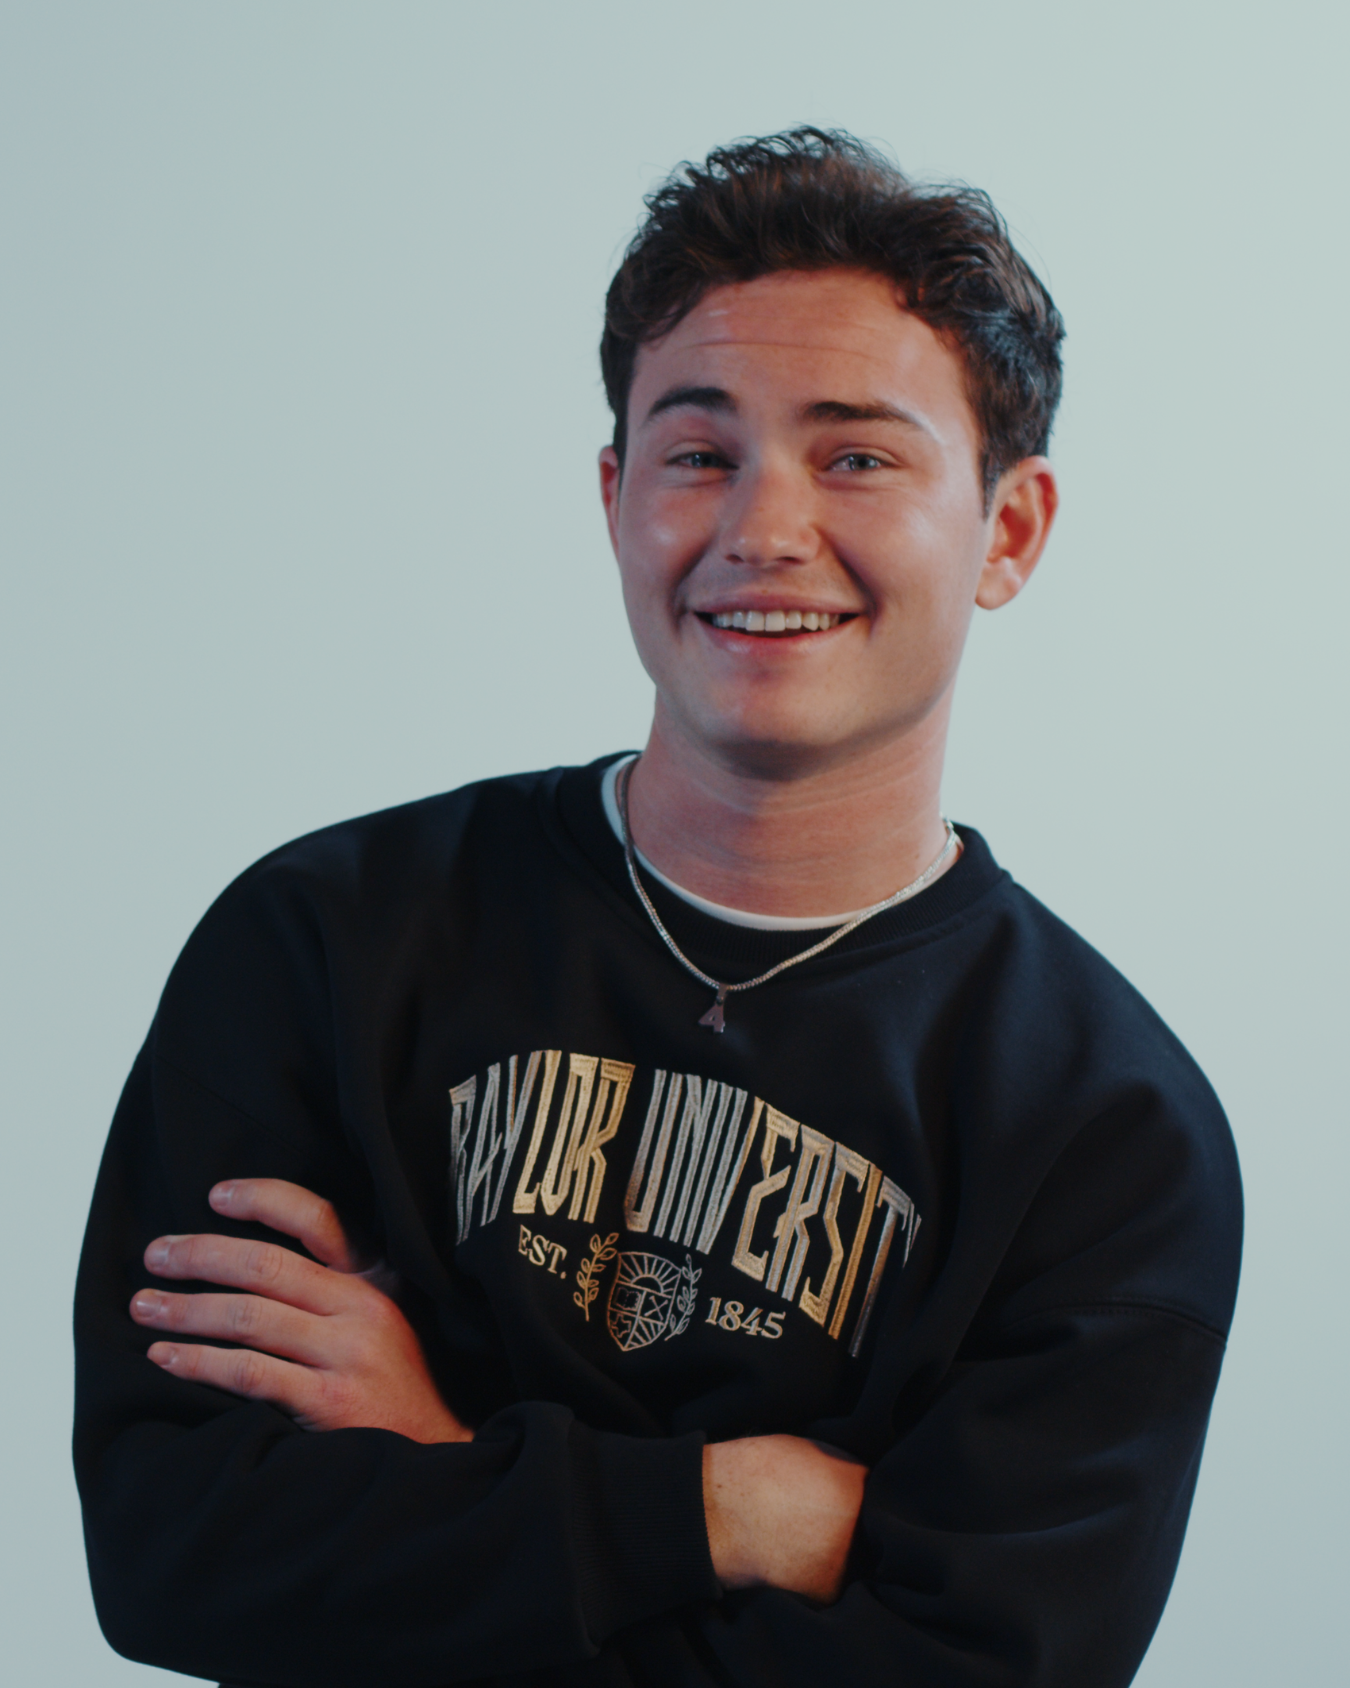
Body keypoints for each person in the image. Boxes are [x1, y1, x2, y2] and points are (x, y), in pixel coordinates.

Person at [74, 129, 1242, 1688]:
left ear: (1007, 532)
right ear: (618, 495)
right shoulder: (324, 943)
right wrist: (732, 1508)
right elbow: (178, 1559)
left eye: (856, 455)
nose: (761, 525)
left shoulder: (1110, 1137)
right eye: (698, 452)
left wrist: (436, 1451)